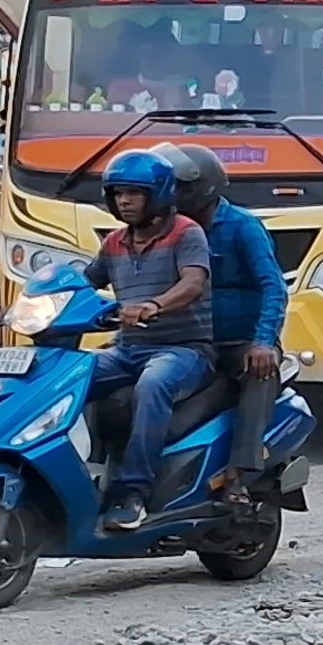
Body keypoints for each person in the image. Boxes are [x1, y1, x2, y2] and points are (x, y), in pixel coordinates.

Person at [84, 148, 214, 532]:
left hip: (185, 350)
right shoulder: (113, 243)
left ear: (157, 193)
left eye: (134, 193)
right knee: (72, 373)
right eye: (118, 193)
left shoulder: (187, 234)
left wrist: (154, 305)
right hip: (127, 350)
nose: (123, 200)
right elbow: (83, 284)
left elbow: (193, 282)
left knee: (153, 384)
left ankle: (132, 492)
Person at [163, 144, 289, 497]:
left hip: (240, 343)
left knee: (259, 373)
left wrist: (264, 341)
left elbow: (273, 286)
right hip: (191, 341)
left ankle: (240, 473)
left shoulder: (241, 227)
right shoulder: (170, 231)